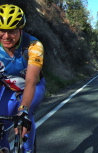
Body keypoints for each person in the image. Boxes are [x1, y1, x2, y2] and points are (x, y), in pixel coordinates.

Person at [0, 4, 46, 153]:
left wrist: (23, 110)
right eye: (2, 30)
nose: (6, 36)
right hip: (8, 88)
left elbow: (31, 81)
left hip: (34, 86)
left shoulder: (34, 46)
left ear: (20, 29)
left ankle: (28, 150)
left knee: (24, 118)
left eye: (12, 31)